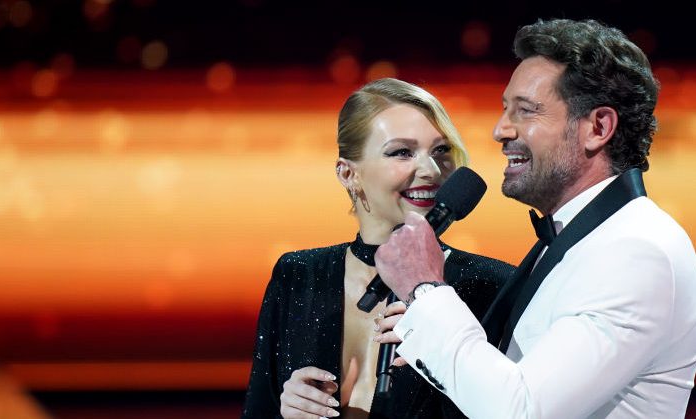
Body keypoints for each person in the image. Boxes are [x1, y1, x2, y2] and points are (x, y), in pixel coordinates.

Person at [374, 19, 696, 418]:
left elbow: (521, 410)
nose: (500, 130)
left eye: (526, 111)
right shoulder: (579, 235)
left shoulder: (637, 251)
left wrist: (425, 289)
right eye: (504, 109)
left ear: (598, 127)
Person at [241, 78, 515, 418]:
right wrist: (287, 412)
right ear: (348, 174)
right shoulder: (299, 275)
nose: (431, 170)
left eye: (441, 151)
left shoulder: (493, 285)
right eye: (402, 152)